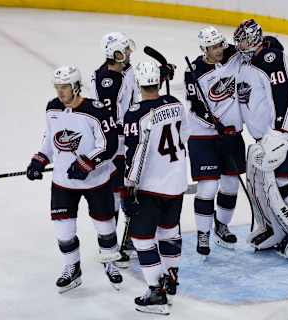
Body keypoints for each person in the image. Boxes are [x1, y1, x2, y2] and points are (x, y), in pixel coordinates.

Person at [26, 65, 123, 293]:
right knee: (63, 231)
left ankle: (110, 263)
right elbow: (50, 139)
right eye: (57, 87)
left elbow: (109, 145)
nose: (60, 92)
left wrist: (86, 164)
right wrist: (39, 160)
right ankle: (72, 268)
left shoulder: (95, 111)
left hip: (96, 181)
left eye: (65, 87)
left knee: (105, 226)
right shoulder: (52, 108)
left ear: (76, 87)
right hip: (63, 182)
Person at [233, 19, 288, 259]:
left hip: (286, 132)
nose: (238, 44)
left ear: (253, 39)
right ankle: (277, 230)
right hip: (267, 136)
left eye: (242, 39)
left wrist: (281, 131)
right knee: (264, 184)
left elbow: (285, 94)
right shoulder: (248, 63)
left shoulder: (271, 58)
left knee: (281, 182)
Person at [123, 61, 187, 315]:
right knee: (169, 231)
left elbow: (135, 154)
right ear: (159, 82)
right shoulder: (175, 103)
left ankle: (156, 292)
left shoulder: (135, 114)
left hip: (150, 186)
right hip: (177, 182)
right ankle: (171, 276)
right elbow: (184, 136)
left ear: (138, 83)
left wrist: (129, 187)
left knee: (141, 238)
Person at [184, 26, 246, 257]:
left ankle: (221, 224)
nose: (218, 50)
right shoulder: (194, 70)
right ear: (204, 49)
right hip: (203, 136)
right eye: (213, 47)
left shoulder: (233, 55)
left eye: (220, 44)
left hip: (232, 134)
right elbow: (196, 106)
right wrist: (214, 122)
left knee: (230, 185)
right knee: (208, 187)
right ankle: (203, 233)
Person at [91, 32, 139, 267]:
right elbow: (114, 117)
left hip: (124, 141)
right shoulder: (107, 80)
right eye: (125, 50)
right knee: (116, 195)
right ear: (116, 54)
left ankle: (127, 240)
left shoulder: (122, 71)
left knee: (127, 191)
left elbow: (134, 94)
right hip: (116, 145)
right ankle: (111, 246)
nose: (130, 53)